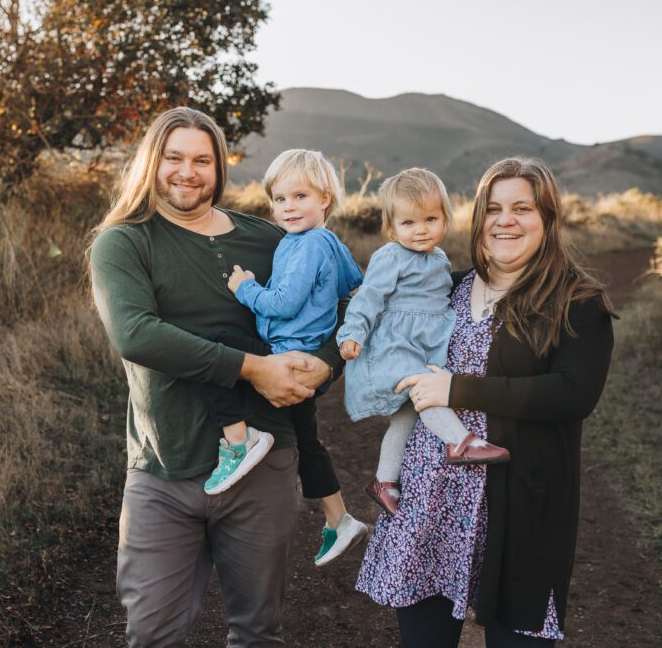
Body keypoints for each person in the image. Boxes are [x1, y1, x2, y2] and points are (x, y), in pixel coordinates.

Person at [89, 106, 343, 647]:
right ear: (151, 163)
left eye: (202, 159)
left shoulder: (272, 239)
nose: (188, 171)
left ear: (220, 167)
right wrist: (253, 369)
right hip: (165, 468)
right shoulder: (124, 242)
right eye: (173, 157)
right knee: (151, 634)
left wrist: (324, 364)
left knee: (259, 633)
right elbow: (136, 334)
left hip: (266, 464)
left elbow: (337, 308)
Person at [356, 156, 615, 647]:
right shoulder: (446, 287)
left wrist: (458, 388)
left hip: (519, 505)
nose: (505, 220)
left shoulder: (576, 300)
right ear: (478, 218)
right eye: (493, 208)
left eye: (523, 208)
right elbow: (383, 328)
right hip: (429, 502)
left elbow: (573, 393)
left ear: (548, 218)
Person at [219, 148, 368, 567]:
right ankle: (338, 518)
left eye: (300, 196)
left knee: (219, 353)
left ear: (325, 198)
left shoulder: (305, 245)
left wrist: (244, 288)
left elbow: (282, 304)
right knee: (307, 439)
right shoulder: (329, 242)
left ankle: (238, 441)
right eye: (280, 199)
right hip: (304, 353)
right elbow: (351, 286)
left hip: (285, 353)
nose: (288, 207)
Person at [335, 168, 510, 517]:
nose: (421, 229)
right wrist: (352, 333)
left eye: (431, 219)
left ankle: (384, 481)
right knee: (424, 389)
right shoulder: (391, 256)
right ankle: (460, 442)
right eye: (409, 223)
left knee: (405, 418)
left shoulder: (440, 259)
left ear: (445, 218)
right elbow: (368, 297)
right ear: (391, 228)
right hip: (395, 346)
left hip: (424, 345)